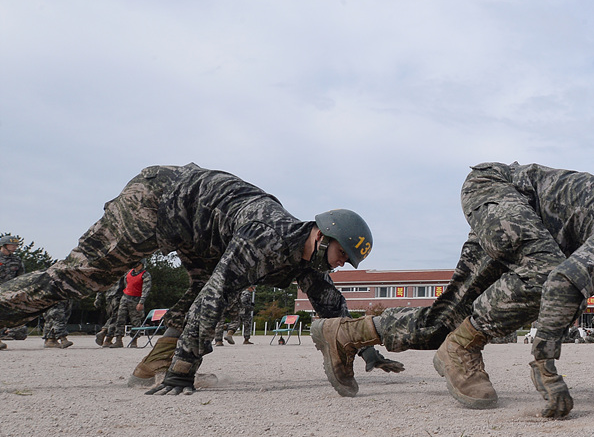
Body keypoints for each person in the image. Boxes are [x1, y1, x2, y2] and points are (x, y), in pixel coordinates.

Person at [311, 161, 594, 417]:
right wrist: (546, 366)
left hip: (528, 229)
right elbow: (567, 279)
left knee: (442, 322)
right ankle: (462, 349)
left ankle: (343, 335)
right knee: (549, 273)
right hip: (500, 193)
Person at [0, 163, 402, 395]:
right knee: (80, 277)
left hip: (195, 230)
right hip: (156, 201)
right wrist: (184, 372)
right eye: (341, 256)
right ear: (321, 235)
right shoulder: (265, 237)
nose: (341, 266)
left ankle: (152, 366)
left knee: (198, 287)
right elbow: (216, 298)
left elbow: (331, 306)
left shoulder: (305, 260)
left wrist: (367, 352)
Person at [107, 261, 151, 348]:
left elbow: (146, 290)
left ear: (141, 263)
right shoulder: (128, 272)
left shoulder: (145, 275)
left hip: (136, 299)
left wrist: (141, 302)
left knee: (136, 321)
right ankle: (118, 340)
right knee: (120, 319)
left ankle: (134, 341)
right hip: (125, 297)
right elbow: (124, 284)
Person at [0, 235, 25, 351]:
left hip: (10, 293)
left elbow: (21, 277)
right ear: (4, 245)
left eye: (16, 245)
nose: (15, 247)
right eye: (12, 245)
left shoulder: (17, 260)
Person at [94, 280, 124, 346]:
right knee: (117, 318)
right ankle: (107, 337)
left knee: (112, 317)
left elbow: (101, 285)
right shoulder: (124, 272)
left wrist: (98, 298)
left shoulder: (109, 272)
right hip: (118, 296)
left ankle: (105, 333)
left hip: (108, 296)